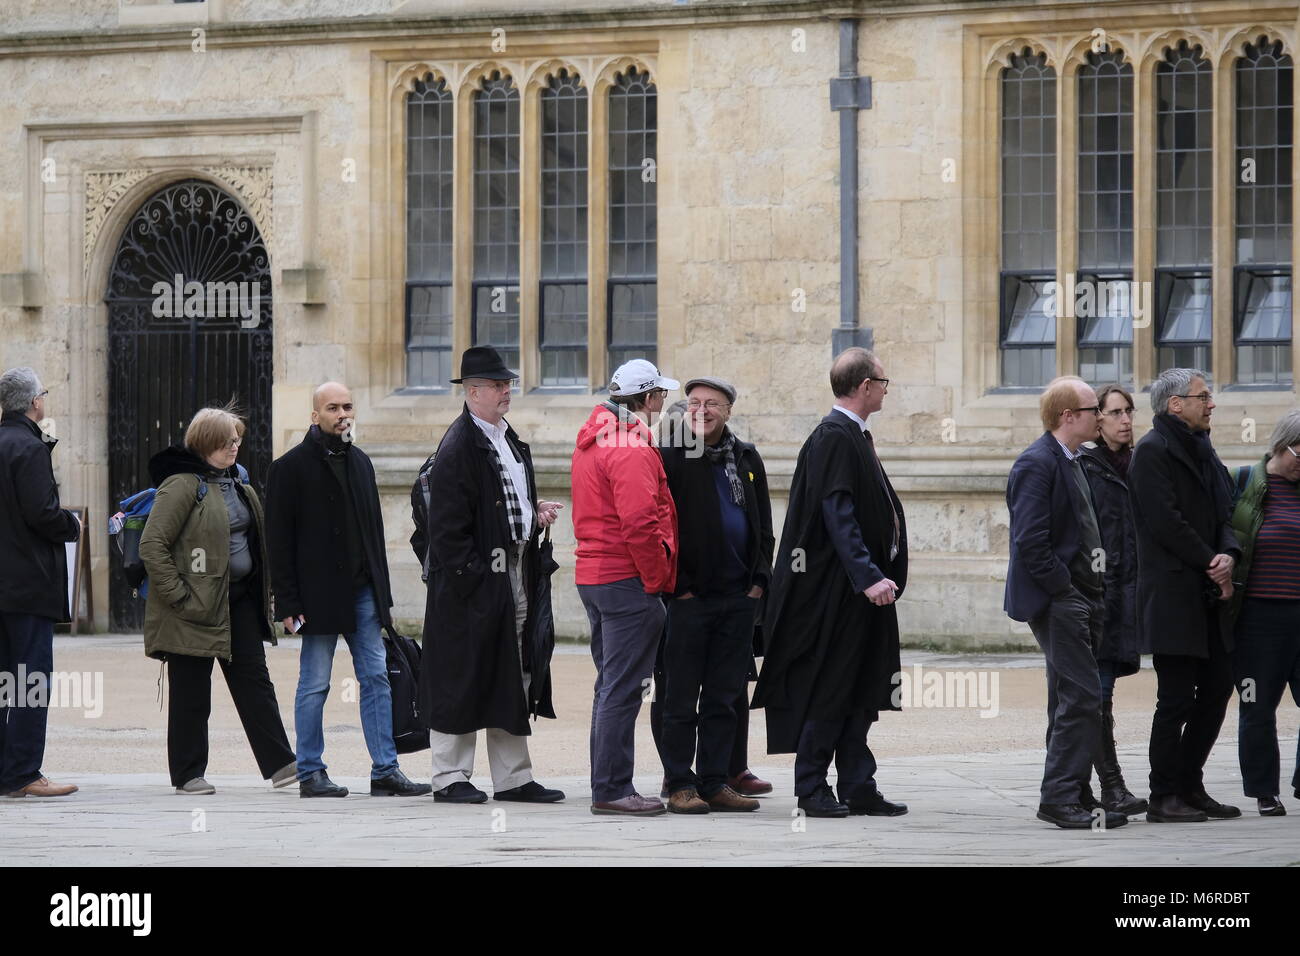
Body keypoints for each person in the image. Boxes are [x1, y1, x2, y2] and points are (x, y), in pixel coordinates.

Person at [751, 347, 909, 819]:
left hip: (859, 595)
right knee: (830, 688)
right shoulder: (834, 437)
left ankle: (859, 784)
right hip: (834, 595)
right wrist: (867, 576)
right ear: (864, 387)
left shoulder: (853, 435)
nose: (885, 389)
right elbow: (836, 512)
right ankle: (813, 788)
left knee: (862, 688)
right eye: (883, 382)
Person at [416, 347, 566, 804]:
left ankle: (513, 778)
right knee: (461, 672)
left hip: (514, 569)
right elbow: (447, 529)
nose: (507, 391)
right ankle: (449, 778)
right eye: (498, 385)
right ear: (473, 391)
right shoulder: (459, 445)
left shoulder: (504, 436)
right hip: (475, 581)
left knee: (512, 669)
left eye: (508, 384)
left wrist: (529, 515)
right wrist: (476, 580)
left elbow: (497, 503)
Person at [267, 382, 430, 798]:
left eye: (348, 406)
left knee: (376, 677)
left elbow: (374, 535)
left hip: (363, 593)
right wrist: (286, 601)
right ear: (315, 415)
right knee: (315, 682)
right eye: (333, 408)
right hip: (317, 595)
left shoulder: (361, 462)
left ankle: (385, 769)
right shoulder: (289, 468)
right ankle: (311, 771)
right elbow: (278, 543)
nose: (342, 414)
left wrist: (383, 597)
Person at [138, 405, 297, 795]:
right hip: (191, 606)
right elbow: (152, 544)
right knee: (192, 691)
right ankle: (189, 773)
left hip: (238, 600)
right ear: (206, 443)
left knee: (255, 681)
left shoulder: (237, 481)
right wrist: (179, 595)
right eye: (227, 441)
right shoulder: (180, 485)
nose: (235, 446)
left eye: (237, 438)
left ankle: (282, 764)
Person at [1004, 376, 1127, 830]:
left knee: (1068, 696)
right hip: (1060, 601)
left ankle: (1073, 792)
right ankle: (1059, 797)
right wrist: (1066, 591)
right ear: (1067, 417)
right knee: (1082, 696)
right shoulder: (1036, 463)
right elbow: (1030, 541)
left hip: (1082, 597)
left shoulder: (1075, 460)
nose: (1102, 416)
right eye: (1094, 409)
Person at [658, 376, 774, 814]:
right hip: (690, 598)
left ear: (728, 410)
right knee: (681, 697)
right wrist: (680, 587)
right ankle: (680, 784)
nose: (701, 410)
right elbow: (660, 524)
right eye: (694, 403)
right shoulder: (671, 455)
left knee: (725, 697)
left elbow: (763, 525)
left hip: (738, 597)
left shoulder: (745, 456)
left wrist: (758, 581)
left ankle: (713, 781)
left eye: (712, 403)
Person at [1130, 368, 1241, 823]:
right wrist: (1210, 562)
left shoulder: (1204, 447)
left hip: (1210, 593)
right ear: (1175, 404)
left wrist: (1229, 552)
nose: (1211, 404)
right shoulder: (1152, 452)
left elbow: (1225, 507)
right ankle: (1163, 795)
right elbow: (1165, 521)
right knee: (1175, 698)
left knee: (1216, 690)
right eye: (1203, 397)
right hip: (1174, 595)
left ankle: (1191, 784)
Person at [572, 358, 678, 816]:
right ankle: (613, 788)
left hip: (596, 576)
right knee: (622, 688)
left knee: (610, 686)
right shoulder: (629, 447)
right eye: (662, 396)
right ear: (648, 397)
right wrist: (656, 579)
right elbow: (639, 523)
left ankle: (608, 784)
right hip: (625, 579)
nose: (664, 403)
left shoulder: (595, 439)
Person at [0, 367, 81, 798]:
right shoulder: (28, 448)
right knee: (30, 679)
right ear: (34, 402)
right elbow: (43, 514)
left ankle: (6, 772)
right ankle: (23, 772)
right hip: (28, 585)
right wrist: (72, 524)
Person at [1223, 409, 1300, 816]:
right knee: (1257, 705)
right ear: (1282, 445)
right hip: (1257, 619)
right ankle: (1263, 791)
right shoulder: (1242, 483)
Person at [1077, 385, 1147, 816]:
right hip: (1096, 597)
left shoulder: (1139, 464)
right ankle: (1109, 787)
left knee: (1100, 698)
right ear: (1097, 419)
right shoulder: (1085, 466)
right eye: (1116, 412)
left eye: (1129, 411)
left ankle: (1086, 788)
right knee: (1095, 698)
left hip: (1128, 598)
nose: (1126, 420)